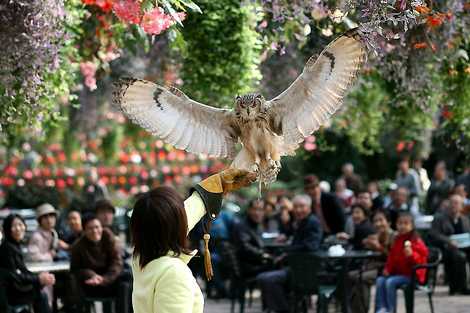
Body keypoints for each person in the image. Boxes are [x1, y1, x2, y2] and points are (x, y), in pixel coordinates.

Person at [130, 169, 255, 313]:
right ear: (176, 227)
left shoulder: (141, 255)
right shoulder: (173, 273)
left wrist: (218, 183)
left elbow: (180, 216)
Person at [256, 194, 323, 313]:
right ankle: (285, 308)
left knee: (267, 279)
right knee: (263, 277)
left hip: (304, 271)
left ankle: (284, 309)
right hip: (295, 266)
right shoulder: (301, 222)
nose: (298, 210)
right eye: (296, 207)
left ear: (309, 208)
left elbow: (311, 246)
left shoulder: (312, 222)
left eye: (302, 207)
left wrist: (287, 253)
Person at [70, 213, 131, 313]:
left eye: (97, 227)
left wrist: (104, 279)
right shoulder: (78, 247)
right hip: (92, 285)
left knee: (126, 279)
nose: (95, 231)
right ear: (84, 231)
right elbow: (75, 270)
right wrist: (91, 275)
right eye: (90, 228)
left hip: (109, 279)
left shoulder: (107, 236)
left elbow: (117, 261)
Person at [0, 214, 55, 313]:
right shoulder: (7, 248)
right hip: (10, 293)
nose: (18, 229)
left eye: (20, 225)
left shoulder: (14, 245)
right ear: (7, 229)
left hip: (15, 288)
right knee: (41, 295)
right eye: (14, 226)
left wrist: (39, 277)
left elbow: (23, 270)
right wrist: (38, 279)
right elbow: (14, 275)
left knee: (42, 289)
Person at [374, 212, 428, 313]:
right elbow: (392, 258)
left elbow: (422, 260)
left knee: (390, 282)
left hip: (411, 276)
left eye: (406, 223)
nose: (402, 226)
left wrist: (412, 255)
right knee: (380, 280)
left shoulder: (416, 240)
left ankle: (391, 310)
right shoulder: (397, 239)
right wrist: (387, 269)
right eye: (400, 223)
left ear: (412, 225)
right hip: (398, 274)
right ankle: (381, 309)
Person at [428, 194, 470, 295]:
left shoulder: (465, 219)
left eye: (457, 203)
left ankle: (464, 286)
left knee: (462, 254)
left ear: (461, 206)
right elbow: (434, 234)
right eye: (452, 203)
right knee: (459, 256)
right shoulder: (439, 218)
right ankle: (458, 287)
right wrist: (448, 241)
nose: (453, 205)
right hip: (445, 249)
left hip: (465, 247)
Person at [232, 199, 272, 277]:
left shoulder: (260, 224)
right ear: (249, 210)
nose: (257, 213)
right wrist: (263, 255)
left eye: (260, 210)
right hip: (248, 265)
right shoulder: (242, 225)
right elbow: (244, 247)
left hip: (259, 260)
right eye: (254, 209)